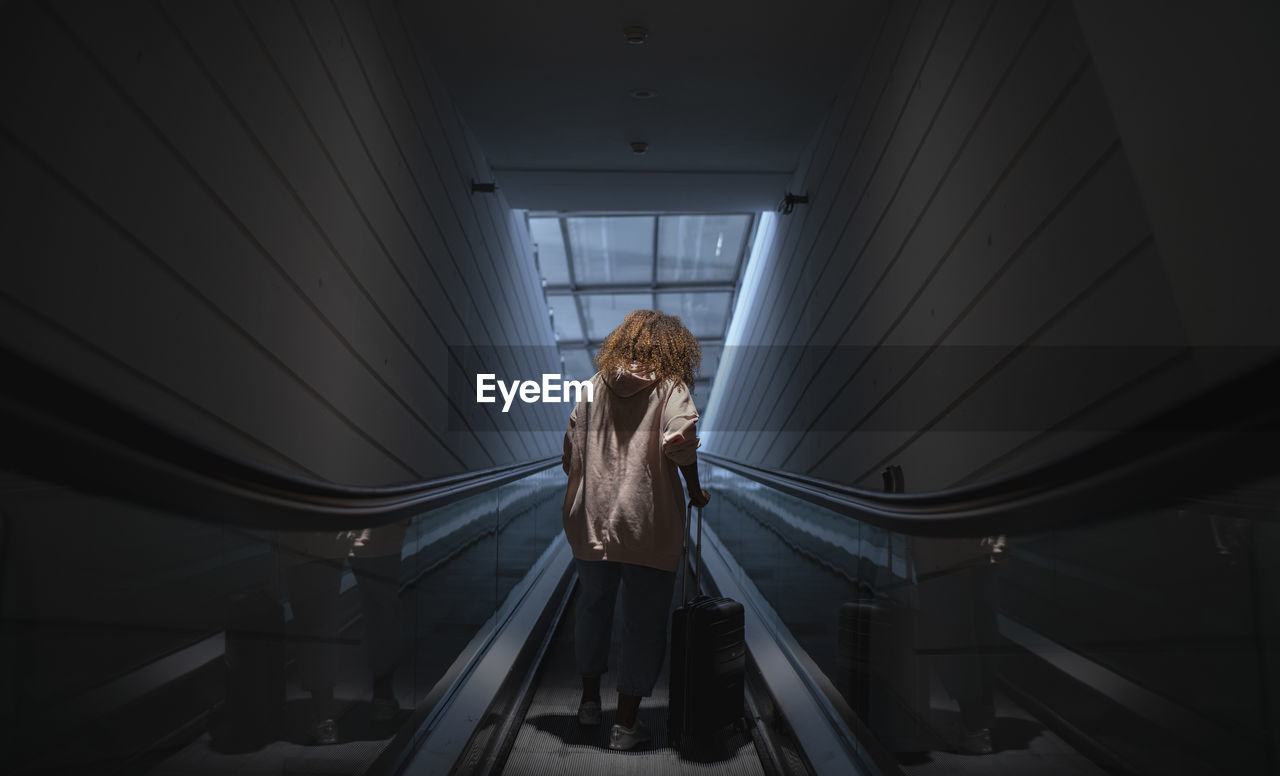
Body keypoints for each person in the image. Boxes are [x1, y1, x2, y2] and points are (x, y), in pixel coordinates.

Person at [561, 310, 710, 751]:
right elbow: (681, 445)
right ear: (672, 347)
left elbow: (570, 455)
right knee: (643, 622)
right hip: (649, 522)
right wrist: (696, 491)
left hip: (592, 521)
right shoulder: (670, 389)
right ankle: (625, 725)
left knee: (592, 610)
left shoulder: (590, 389)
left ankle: (589, 702)